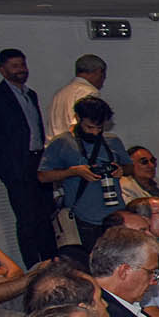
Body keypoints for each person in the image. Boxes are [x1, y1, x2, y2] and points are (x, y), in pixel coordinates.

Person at [0, 47, 57, 263]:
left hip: (38, 162)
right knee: (27, 220)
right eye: (14, 66)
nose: (21, 70)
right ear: (2, 70)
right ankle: (34, 268)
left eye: (22, 65)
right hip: (16, 166)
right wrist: (1, 160)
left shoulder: (30, 94)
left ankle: (52, 262)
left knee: (45, 215)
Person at [38, 95, 128, 247]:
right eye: (89, 127)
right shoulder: (62, 143)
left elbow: (130, 167)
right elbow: (43, 176)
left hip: (116, 215)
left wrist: (121, 170)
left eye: (99, 128)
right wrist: (74, 171)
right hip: (84, 218)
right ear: (78, 118)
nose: (94, 132)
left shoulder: (112, 140)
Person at [44, 52, 105, 142]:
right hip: (74, 146)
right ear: (98, 71)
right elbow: (86, 126)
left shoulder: (61, 92)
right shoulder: (89, 92)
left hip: (54, 146)